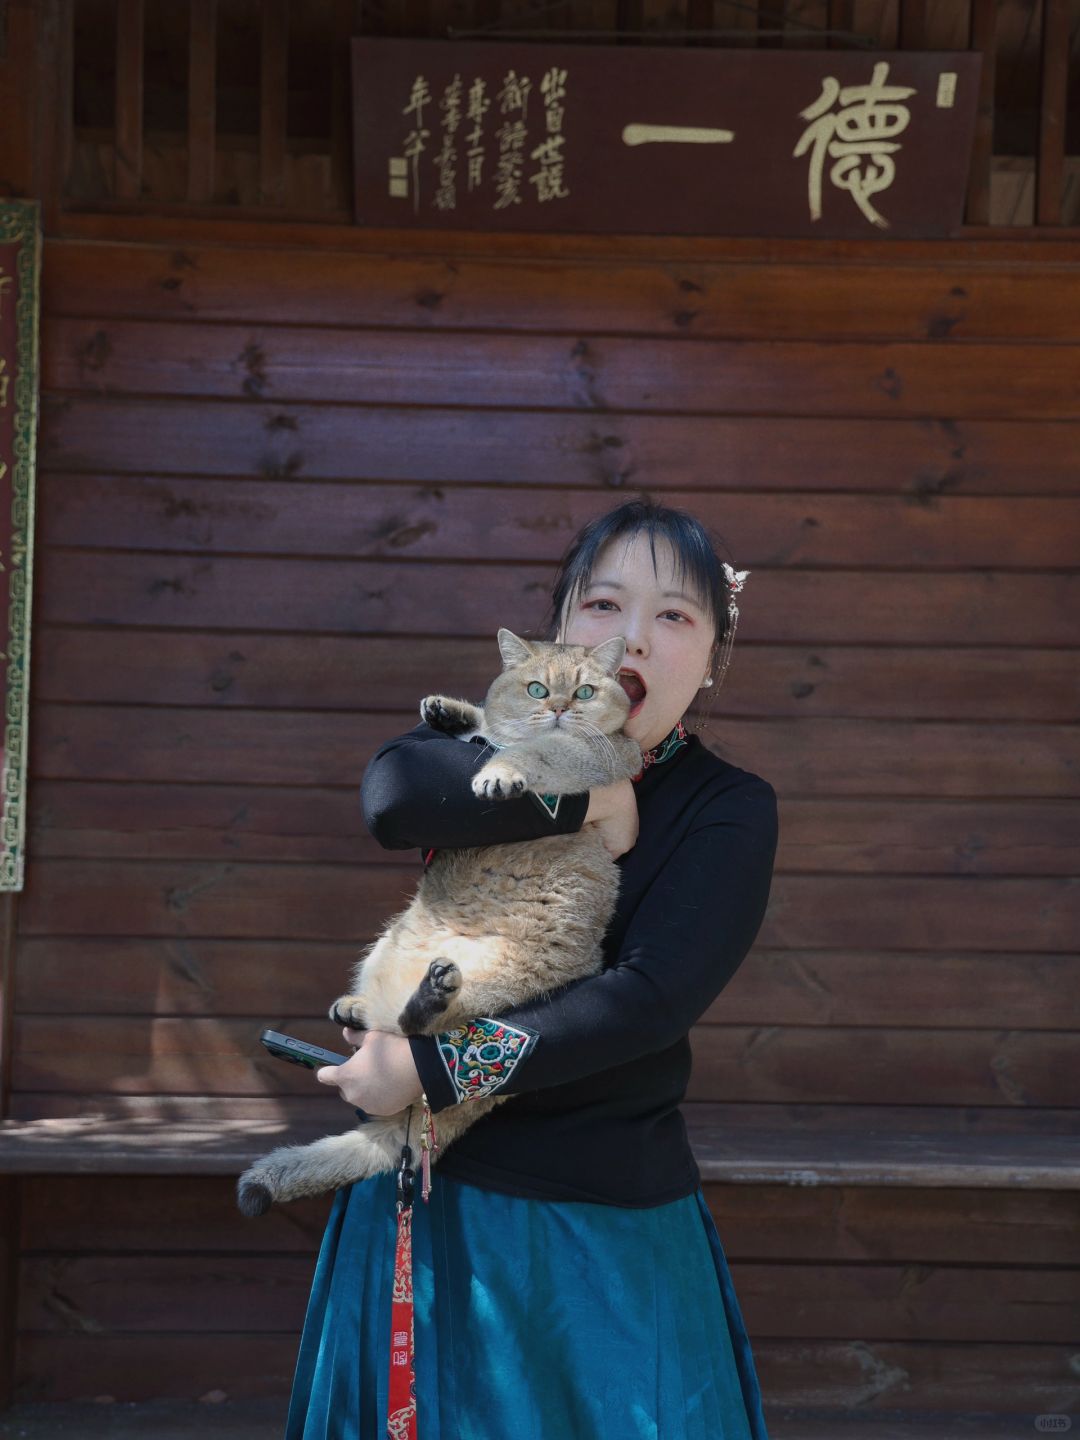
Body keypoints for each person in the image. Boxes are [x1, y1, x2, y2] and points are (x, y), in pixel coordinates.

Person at [285, 500, 778, 1440]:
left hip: (599, 1230)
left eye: (674, 615)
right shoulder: (493, 751)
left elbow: (649, 999)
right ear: (561, 630)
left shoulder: (729, 808)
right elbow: (395, 797)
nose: (632, 634)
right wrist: (589, 796)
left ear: (712, 657)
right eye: (603, 604)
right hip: (431, 1204)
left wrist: (431, 1071)